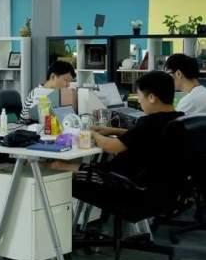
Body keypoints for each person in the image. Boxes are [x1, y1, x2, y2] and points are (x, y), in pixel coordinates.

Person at [52, 71, 183, 190]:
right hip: (162, 188)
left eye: (139, 96)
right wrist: (111, 130)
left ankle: (63, 167)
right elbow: (143, 136)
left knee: (71, 175)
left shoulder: (149, 122)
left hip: (127, 185)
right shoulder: (179, 119)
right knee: (99, 166)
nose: (139, 101)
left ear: (152, 98)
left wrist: (92, 134)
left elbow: (111, 146)